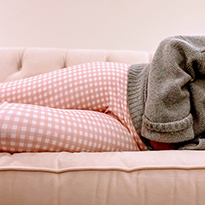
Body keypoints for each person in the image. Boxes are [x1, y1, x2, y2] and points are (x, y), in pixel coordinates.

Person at [1, 35, 205, 153]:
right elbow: (174, 48)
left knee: (7, 126)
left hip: (133, 141)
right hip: (119, 86)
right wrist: (167, 132)